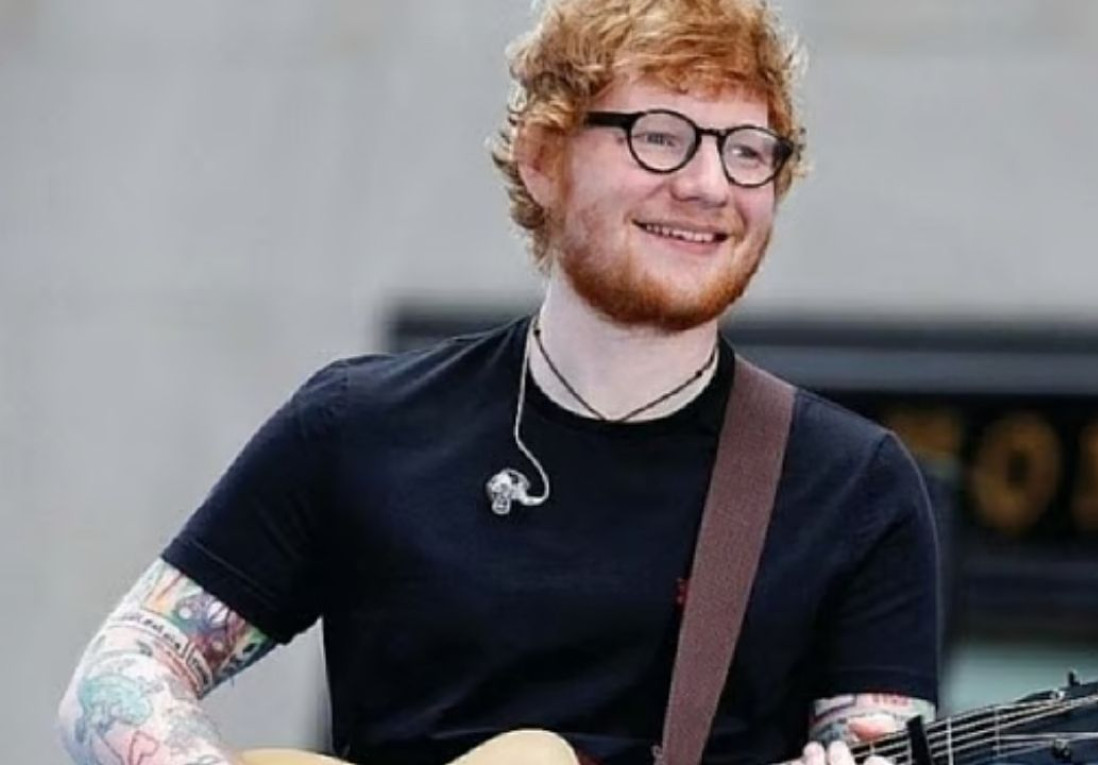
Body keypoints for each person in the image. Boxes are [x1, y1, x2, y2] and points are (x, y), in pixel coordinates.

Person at [56, 1, 940, 763]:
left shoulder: (852, 487)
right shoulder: (359, 425)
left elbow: (875, 738)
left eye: (748, 150)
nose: (709, 184)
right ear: (543, 158)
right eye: (660, 137)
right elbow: (121, 668)